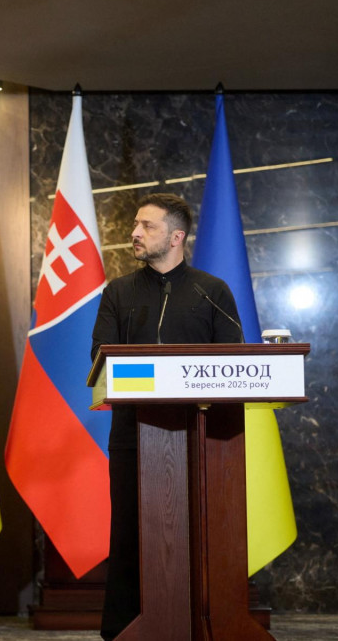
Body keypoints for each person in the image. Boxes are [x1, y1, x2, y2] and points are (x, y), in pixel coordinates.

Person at [90, 192, 243, 640]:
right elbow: (99, 361)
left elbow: (232, 366)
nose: (135, 234)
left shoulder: (211, 291)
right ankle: (124, 631)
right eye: (135, 225)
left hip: (203, 440)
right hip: (133, 438)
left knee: (202, 537)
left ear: (177, 237)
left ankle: (205, 625)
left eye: (148, 226)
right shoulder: (118, 292)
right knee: (131, 538)